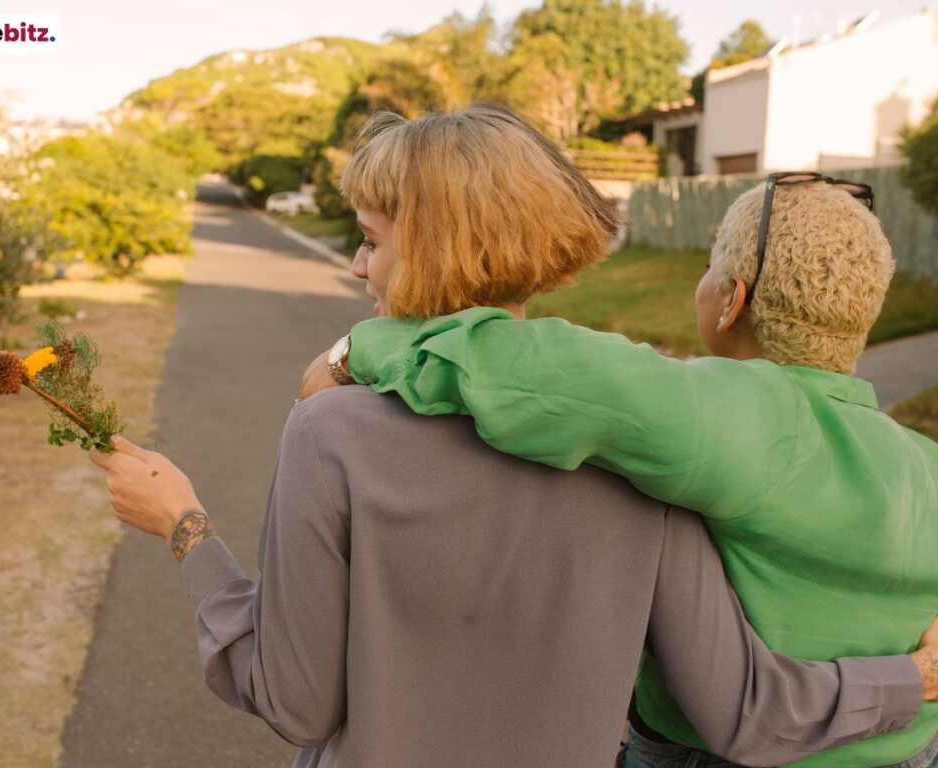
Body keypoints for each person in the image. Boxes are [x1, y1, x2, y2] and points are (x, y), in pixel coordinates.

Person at [89, 106, 938, 768]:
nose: (357, 267)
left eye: (371, 242)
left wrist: (186, 527)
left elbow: (294, 700)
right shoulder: (645, 457)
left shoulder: (331, 432)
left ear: (426, 249)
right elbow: (737, 704)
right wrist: (909, 680)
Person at [301, 167, 938, 767]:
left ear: (730, 300)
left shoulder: (733, 416)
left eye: (709, 266)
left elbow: (524, 368)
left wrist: (354, 349)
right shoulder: (923, 464)